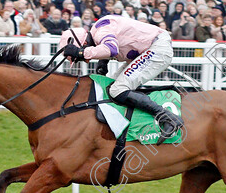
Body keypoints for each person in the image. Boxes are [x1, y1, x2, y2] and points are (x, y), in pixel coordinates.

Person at [59, 15, 184, 143]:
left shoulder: (101, 30)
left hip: (156, 48)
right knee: (110, 86)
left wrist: (81, 53)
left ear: (84, 44)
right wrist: (103, 62)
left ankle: (168, 118)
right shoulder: (100, 30)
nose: (84, 61)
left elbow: (112, 48)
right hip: (148, 49)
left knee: (117, 89)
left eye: (79, 59)